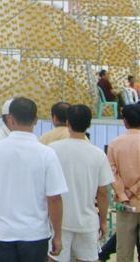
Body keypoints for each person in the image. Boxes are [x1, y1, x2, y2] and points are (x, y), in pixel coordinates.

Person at [0, 97, 68, 260]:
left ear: (10, 118)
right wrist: (57, 235)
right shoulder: (47, 154)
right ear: (36, 120)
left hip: (3, 233)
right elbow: (54, 198)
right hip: (35, 234)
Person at [48, 104, 113, 262]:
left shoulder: (52, 150)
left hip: (58, 222)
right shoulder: (98, 154)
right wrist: (103, 221)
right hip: (87, 222)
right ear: (89, 124)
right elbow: (103, 193)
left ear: (68, 123)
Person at [107, 103, 140, 261]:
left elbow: (111, 172)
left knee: (124, 252)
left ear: (125, 121)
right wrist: (133, 190)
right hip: (135, 197)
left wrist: (123, 193)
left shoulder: (115, 143)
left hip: (124, 204)